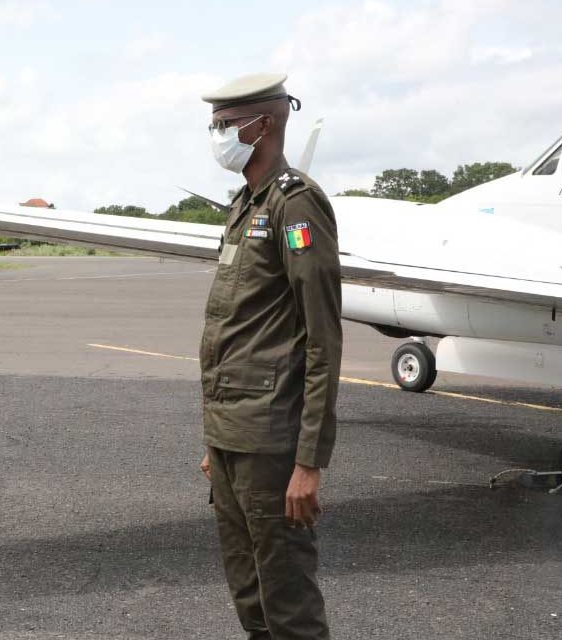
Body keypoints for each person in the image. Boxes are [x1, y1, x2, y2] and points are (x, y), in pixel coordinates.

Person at [197, 73, 342, 640]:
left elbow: (321, 338)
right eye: (214, 125)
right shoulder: (243, 205)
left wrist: (308, 462)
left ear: (265, 124)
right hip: (232, 437)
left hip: (272, 442)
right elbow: (234, 332)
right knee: (250, 598)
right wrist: (214, 440)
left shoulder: (295, 203)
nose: (217, 136)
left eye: (225, 125)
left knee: (288, 604)